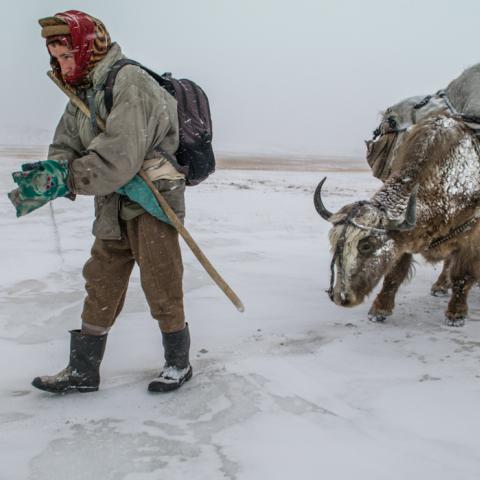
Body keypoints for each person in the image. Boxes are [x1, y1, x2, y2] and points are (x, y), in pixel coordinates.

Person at [21, 10, 192, 394]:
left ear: (88, 47)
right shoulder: (82, 91)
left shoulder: (129, 81)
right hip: (112, 199)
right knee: (100, 279)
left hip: (152, 199)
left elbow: (120, 155)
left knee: (161, 281)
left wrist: (70, 177)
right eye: (58, 59)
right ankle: (83, 371)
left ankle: (177, 363)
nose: (64, 66)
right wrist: (53, 171)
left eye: (68, 56)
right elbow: (66, 142)